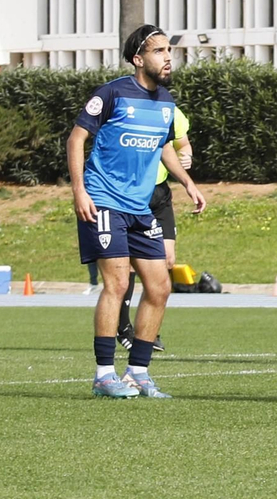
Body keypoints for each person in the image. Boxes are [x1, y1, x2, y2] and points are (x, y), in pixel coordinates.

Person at [69, 24, 206, 398]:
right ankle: (102, 375)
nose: (167, 58)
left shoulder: (166, 102)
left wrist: (187, 182)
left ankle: (138, 373)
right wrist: (80, 191)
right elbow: (76, 138)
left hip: (140, 208)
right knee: (117, 283)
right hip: (104, 201)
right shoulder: (111, 93)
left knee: (160, 286)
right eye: (159, 51)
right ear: (138, 58)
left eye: (169, 51)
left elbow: (164, 146)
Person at [118, 105, 193, 351]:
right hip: (133, 192)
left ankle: (147, 328)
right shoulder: (130, 109)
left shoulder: (173, 112)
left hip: (160, 194)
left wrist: (187, 156)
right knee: (130, 262)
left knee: (167, 260)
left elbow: (182, 144)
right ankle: (124, 326)